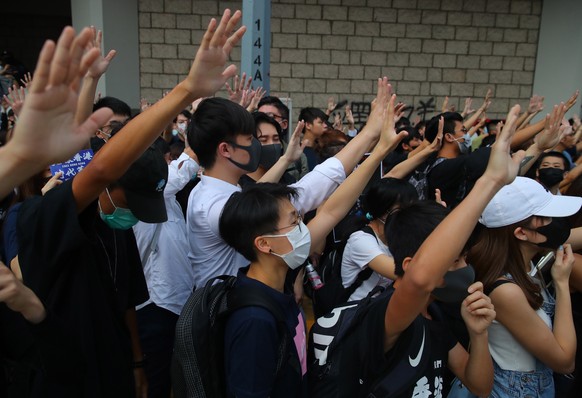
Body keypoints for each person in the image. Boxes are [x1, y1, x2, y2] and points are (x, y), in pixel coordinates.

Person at [14, 9, 247, 396]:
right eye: (129, 199)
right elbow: (103, 167)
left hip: (116, 365)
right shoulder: (40, 219)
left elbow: (125, 302)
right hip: (65, 379)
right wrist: (186, 90)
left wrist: (137, 364)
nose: (133, 215)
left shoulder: (114, 229)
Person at [310, 104, 525, 397]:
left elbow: (480, 386)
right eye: (455, 259)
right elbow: (420, 279)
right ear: (411, 264)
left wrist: (479, 333)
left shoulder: (433, 313)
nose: (466, 267)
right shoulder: (383, 314)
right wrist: (491, 181)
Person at [218, 92, 406, 397]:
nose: (303, 230)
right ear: (265, 243)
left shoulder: (282, 274)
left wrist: (380, 148)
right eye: (295, 222)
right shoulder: (254, 320)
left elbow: (333, 209)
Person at [187, 78, 398, 289]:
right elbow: (307, 195)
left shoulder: (213, 192)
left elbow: (267, 194)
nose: (256, 145)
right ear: (225, 150)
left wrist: (370, 137)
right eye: (250, 139)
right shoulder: (216, 207)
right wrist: (370, 137)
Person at [469, 176, 581, 397]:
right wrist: (561, 283)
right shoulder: (507, 291)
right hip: (518, 390)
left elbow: (571, 237)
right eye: (547, 217)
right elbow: (564, 361)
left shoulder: (526, 261)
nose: (556, 222)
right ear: (521, 233)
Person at [340, 177, 417, 302]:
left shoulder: (397, 235)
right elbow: (402, 273)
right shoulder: (361, 240)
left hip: (381, 306)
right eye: (403, 210)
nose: (410, 215)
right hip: (357, 311)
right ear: (383, 211)